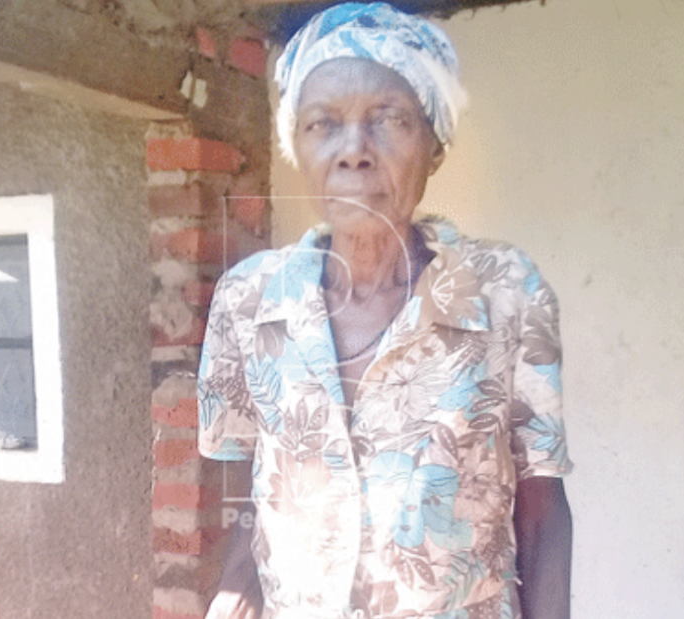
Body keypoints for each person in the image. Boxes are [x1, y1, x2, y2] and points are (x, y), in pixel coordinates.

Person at [198, 4, 572, 618]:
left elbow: (542, 511)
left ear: (436, 146)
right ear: (296, 145)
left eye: (390, 119)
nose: (354, 152)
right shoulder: (248, 299)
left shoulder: (506, 291)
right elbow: (249, 506)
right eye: (323, 124)